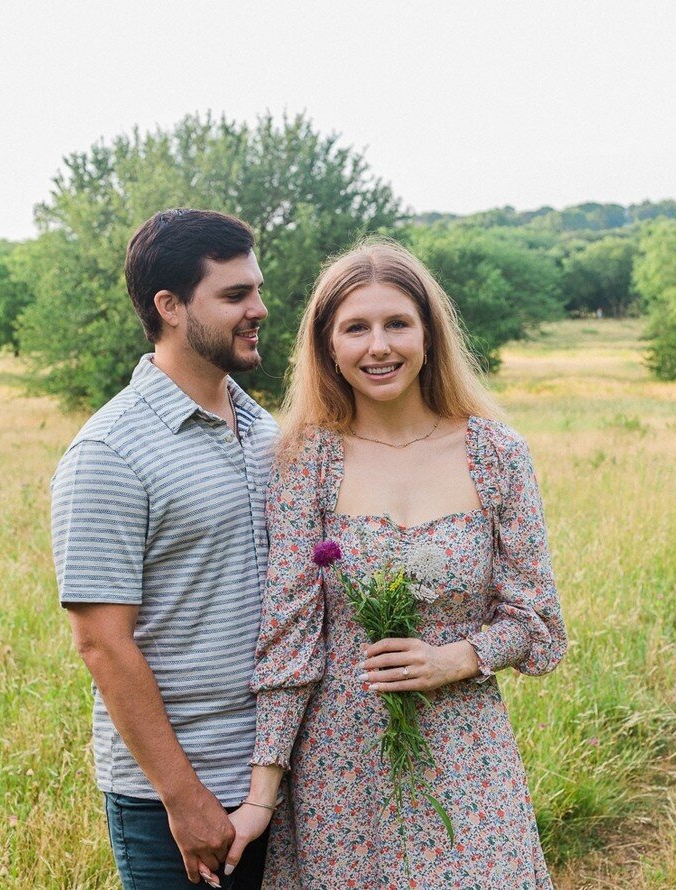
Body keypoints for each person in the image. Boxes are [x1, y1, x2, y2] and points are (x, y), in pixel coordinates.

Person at [229, 240, 568, 887]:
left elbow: (540, 624)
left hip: (466, 756)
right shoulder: (308, 460)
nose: (377, 346)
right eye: (355, 327)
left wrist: (458, 658)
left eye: (396, 324)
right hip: (339, 763)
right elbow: (288, 638)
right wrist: (261, 793)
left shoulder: (494, 451)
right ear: (327, 344)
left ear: (428, 334)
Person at [51, 209, 280, 889]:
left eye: (256, 290)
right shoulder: (109, 451)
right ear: (170, 306)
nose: (259, 309)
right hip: (173, 801)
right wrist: (185, 800)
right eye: (235, 295)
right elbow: (102, 643)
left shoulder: (262, 428)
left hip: (275, 780)